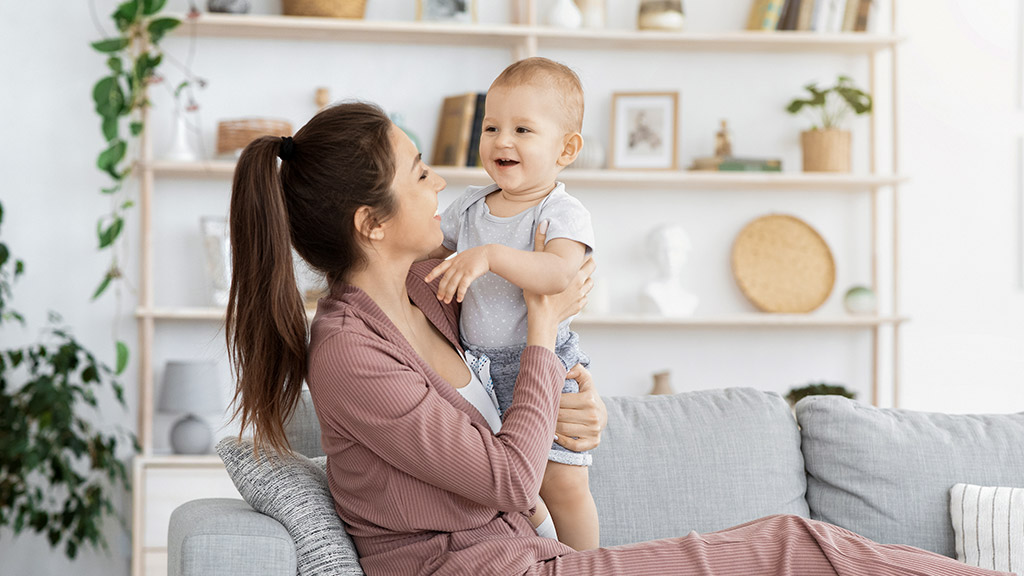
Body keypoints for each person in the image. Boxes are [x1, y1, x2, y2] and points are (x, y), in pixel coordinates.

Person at [225, 101, 1009, 576]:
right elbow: (503, 478)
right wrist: (542, 320)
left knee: (793, 548)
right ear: (371, 223)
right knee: (791, 546)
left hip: (530, 556)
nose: (442, 186)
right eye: (421, 174)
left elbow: (513, 411)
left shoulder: (434, 288)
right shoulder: (349, 352)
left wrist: (576, 401)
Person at [424, 57, 598, 550]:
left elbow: (560, 274)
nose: (503, 141)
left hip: (543, 362)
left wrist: (491, 256)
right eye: (492, 126)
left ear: (566, 149)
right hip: (475, 370)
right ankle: (543, 555)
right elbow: (430, 255)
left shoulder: (561, 210)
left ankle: (589, 563)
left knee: (562, 484)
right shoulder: (472, 206)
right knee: (509, 487)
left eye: (523, 129)